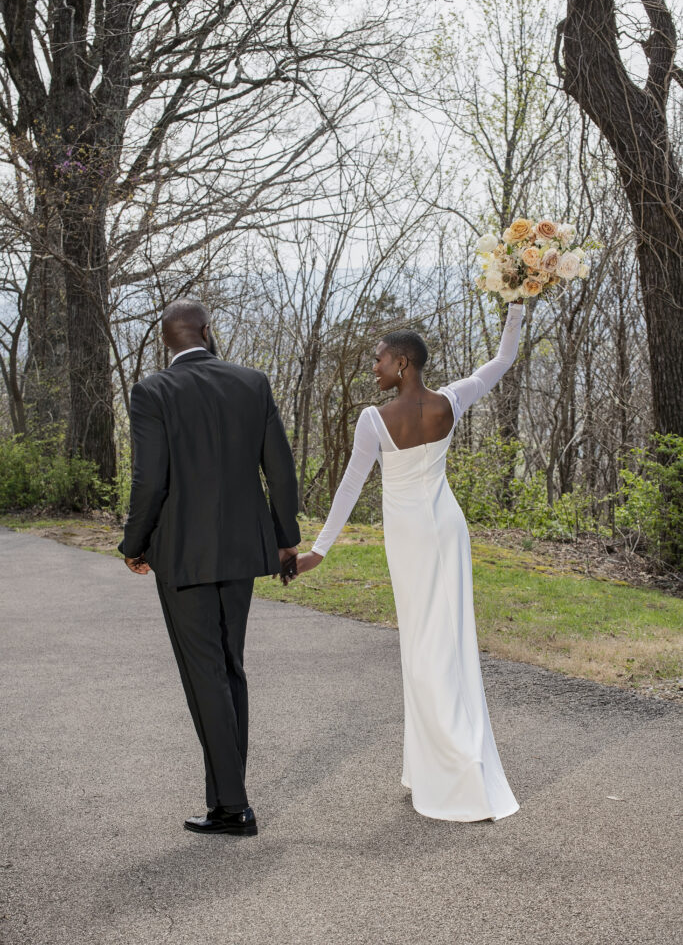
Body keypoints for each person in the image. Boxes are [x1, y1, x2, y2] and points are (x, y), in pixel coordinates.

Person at [296, 304, 525, 822]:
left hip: (411, 538)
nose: (372, 369)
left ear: (403, 363)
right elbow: (504, 357)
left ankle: (454, 768)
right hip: (449, 528)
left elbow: (350, 487)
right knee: (453, 641)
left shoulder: (374, 420)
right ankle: (437, 763)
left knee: (423, 648)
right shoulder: (452, 400)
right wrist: (516, 300)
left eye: (378, 360)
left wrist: (319, 550)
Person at [119, 299, 300, 836]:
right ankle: (230, 797)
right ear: (205, 331)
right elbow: (281, 471)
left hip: (182, 554)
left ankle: (232, 806)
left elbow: (150, 481)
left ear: (167, 342)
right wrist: (286, 539)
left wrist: (135, 542)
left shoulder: (153, 391)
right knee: (229, 667)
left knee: (206, 676)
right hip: (244, 550)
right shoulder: (253, 382)